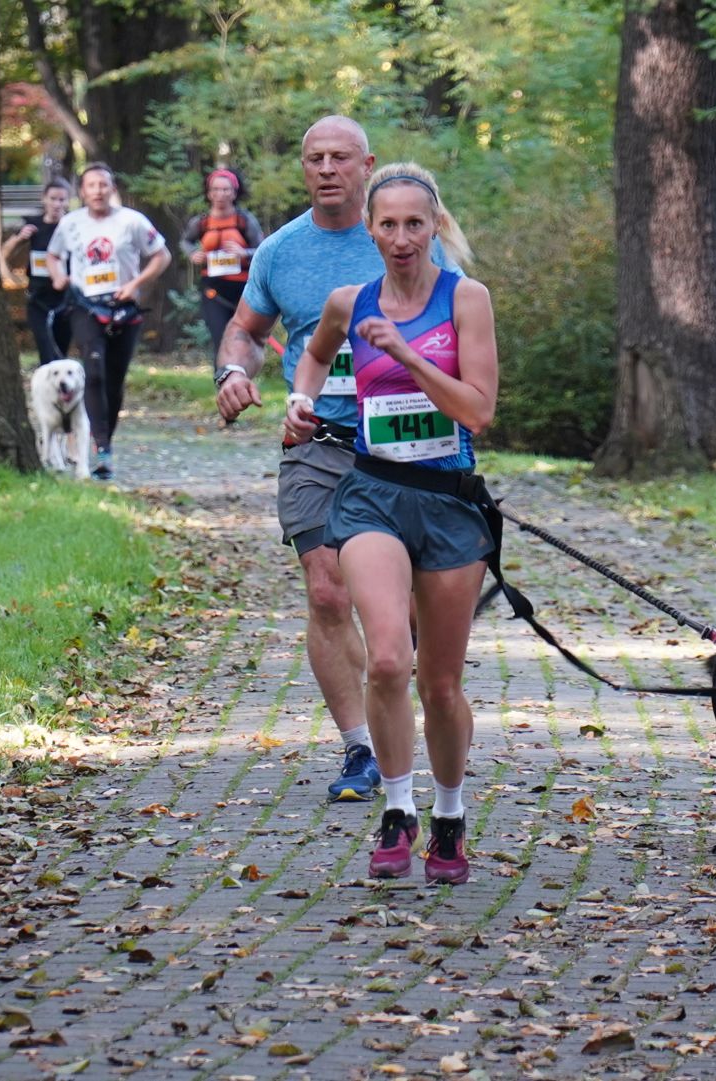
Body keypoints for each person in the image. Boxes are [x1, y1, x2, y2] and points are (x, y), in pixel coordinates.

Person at [214, 117, 454, 804]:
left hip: (405, 446)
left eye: (340, 158)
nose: (327, 169)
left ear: (366, 163)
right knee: (326, 591)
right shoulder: (282, 251)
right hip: (318, 443)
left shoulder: (403, 235)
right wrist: (232, 371)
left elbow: (455, 329)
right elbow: (245, 329)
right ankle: (361, 748)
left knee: (403, 615)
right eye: (314, 157)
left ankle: (401, 717)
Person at [287, 163, 493, 884]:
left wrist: (406, 354)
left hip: (446, 501)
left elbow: (478, 411)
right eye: (388, 224)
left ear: (435, 226)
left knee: (440, 683)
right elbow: (312, 358)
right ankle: (397, 809)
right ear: (369, 230)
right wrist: (299, 402)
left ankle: (449, 816)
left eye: (415, 223)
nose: (401, 238)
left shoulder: (465, 299)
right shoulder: (350, 301)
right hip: (371, 493)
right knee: (385, 661)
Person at [47, 163, 171, 480]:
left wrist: (135, 285)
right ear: (82, 191)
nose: (98, 191)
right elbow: (53, 255)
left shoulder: (131, 221)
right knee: (95, 373)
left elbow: (162, 255)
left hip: (124, 308)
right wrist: (59, 277)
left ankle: (106, 441)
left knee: (114, 381)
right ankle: (100, 447)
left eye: (103, 184)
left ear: (112, 188)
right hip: (85, 305)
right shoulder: (70, 224)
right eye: (91, 185)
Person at [180, 168, 265, 358]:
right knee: (220, 337)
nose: (221, 194)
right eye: (216, 190)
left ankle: (245, 377)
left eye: (226, 190)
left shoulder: (245, 220)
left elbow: (263, 249)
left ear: (234, 193)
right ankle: (221, 381)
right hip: (213, 291)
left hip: (243, 289)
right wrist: (193, 254)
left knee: (243, 337)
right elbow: (185, 241)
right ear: (209, 193)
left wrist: (244, 253)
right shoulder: (201, 223)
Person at [1, 178, 75, 365]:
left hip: (65, 299)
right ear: (44, 199)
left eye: (62, 200)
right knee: (45, 348)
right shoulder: (33, 225)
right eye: (53, 198)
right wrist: (19, 239)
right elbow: (4, 253)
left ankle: (63, 389)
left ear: (68, 201)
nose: (57, 204)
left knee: (61, 349)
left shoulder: (74, 226)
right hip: (38, 298)